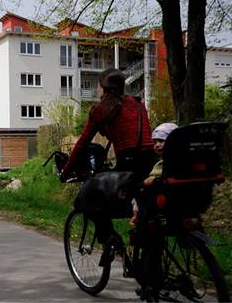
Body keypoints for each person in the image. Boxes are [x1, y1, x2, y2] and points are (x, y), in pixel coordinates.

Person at [61, 68, 156, 264]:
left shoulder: (100, 110)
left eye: (98, 86)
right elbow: (131, 134)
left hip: (128, 166)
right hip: (150, 164)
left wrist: (66, 171)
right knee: (147, 212)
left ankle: (111, 240)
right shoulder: (138, 105)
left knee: (85, 200)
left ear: (103, 88)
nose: (97, 90)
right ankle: (149, 266)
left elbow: (81, 144)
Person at [129, 122, 178, 226]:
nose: (157, 145)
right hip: (169, 191)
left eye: (161, 141)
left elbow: (159, 177)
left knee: (139, 193)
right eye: (155, 142)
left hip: (164, 193)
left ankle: (143, 220)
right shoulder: (164, 161)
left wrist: (151, 181)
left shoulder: (169, 162)